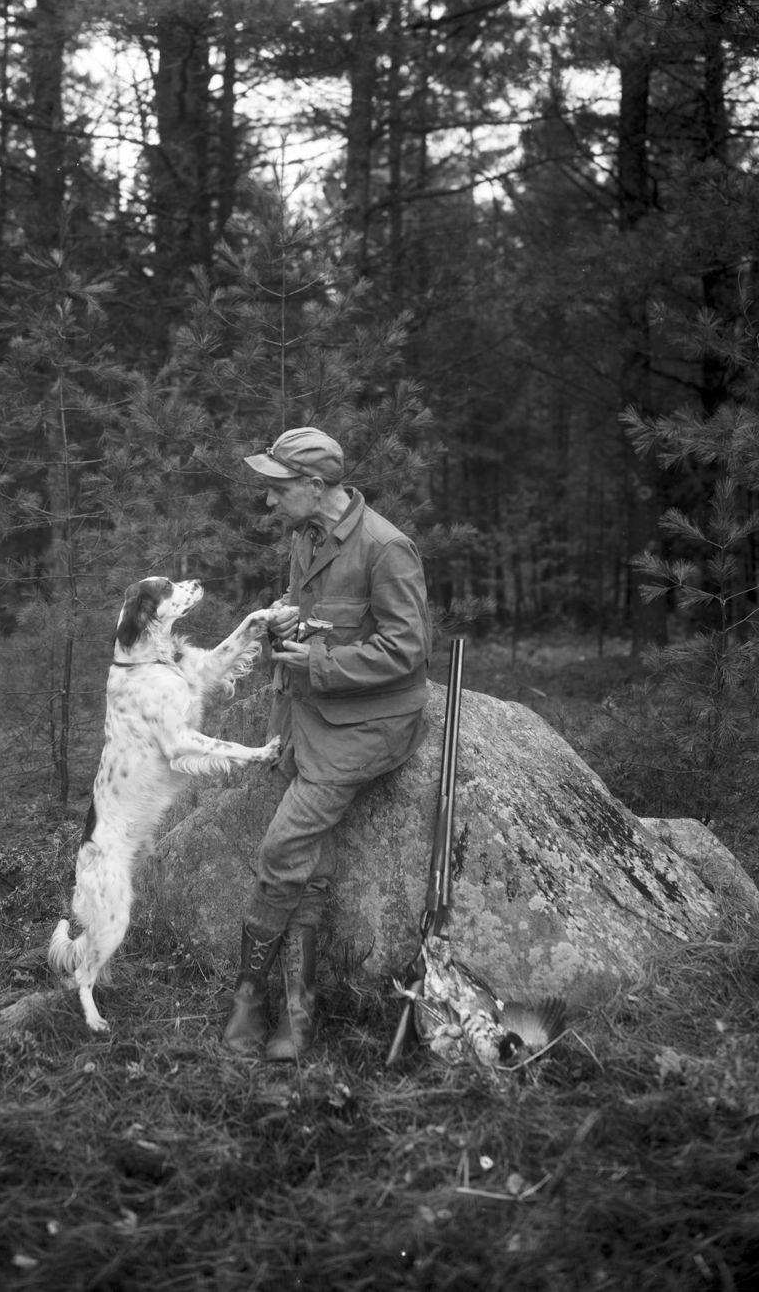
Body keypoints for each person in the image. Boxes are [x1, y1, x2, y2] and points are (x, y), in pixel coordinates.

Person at [223, 426, 432, 1060]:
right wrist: (287, 615)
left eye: (277, 490)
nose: (268, 503)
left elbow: (407, 648)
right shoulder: (306, 535)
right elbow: (313, 608)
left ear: (315, 487)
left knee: (285, 842)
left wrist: (319, 663)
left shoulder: (387, 547)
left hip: (368, 723)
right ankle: (298, 1012)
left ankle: (249, 997)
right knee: (306, 858)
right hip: (308, 715)